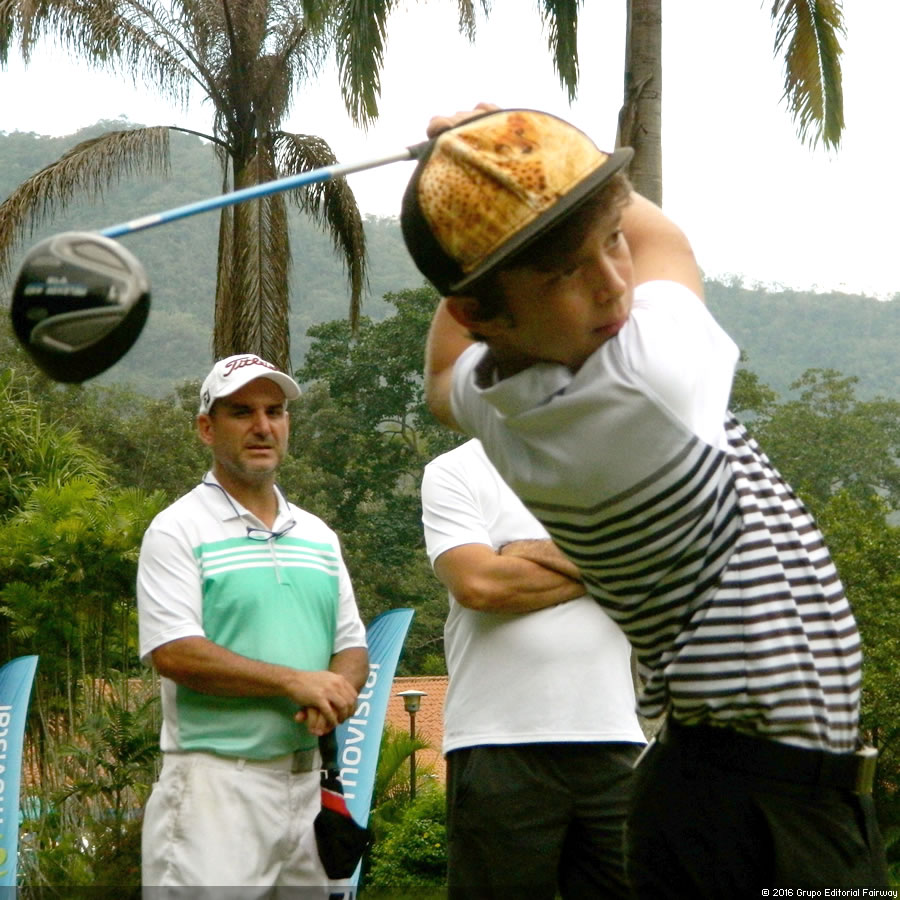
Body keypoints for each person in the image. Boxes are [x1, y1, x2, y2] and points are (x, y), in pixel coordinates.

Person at [401, 105, 887, 895]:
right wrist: (524, 137)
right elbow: (667, 241)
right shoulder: (644, 381)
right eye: (565, 274)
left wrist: (483, 174)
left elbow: (439, 376)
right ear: (482, 312)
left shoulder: (498, 402)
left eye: (609, 242)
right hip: (760, 808)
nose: (612, 281)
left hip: (726, 792)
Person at [137, 353, 368, 894]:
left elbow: (351, 646)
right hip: (214, 786)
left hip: (307, 783)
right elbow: (175, 651)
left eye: (275, 411)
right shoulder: (177, 529)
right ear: (206, 428)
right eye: (242, 412)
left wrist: (334, 692)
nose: (263, 426)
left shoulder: (318, 535)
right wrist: (294, 682)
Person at [421, 437, 646, 898]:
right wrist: (606, 562)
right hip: (497, 745)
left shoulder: (620, 470)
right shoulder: (456, 470)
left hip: (615, 741)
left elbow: (655, 569)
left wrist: (522, 552)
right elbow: (479, 584)